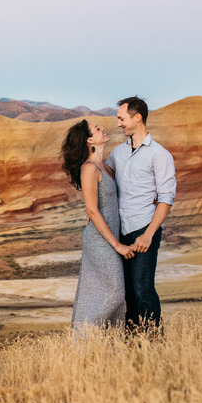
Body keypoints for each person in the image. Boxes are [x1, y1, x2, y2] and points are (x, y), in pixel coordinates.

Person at [105, 96, 176, 330]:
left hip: (144, 229)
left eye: (121, 118)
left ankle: (153, 343)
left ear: (137, 118)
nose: (118, 124)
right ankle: (134, 345)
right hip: (121, 232)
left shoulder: (159, 154)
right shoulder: (117, 154)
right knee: (128, 294)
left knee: (142, 288)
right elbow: (104, 182)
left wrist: (148, 235)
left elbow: (166, 198)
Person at [61, 119, 132, 330]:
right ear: (89, 139)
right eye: (97, 129)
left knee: (111, 294)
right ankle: (86, 342)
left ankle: (109, 348)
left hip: (110, 238)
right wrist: (118, 245)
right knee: (113, 293)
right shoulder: (89, 168)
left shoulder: (106, 167)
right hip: (100, 241)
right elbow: (92, 210)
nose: (103, 129)